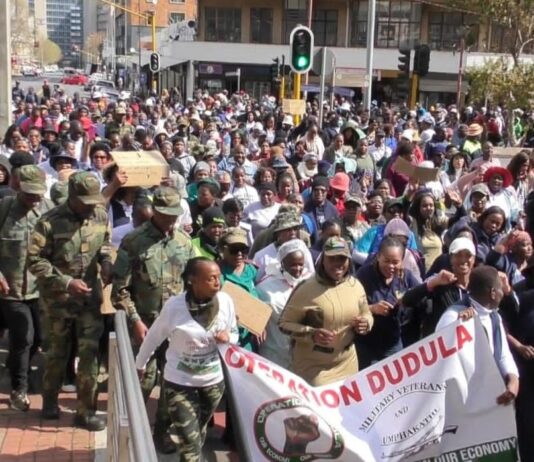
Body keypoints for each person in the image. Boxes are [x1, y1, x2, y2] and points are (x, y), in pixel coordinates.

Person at [112, 186, 196, 453]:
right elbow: (120, 291)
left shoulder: (184, 243)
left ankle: (161, 431)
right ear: (155, 211)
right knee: (142, 381)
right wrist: (135, 320)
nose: (172, 221)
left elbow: (194, 285)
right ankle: (131, 432)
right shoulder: (134, 242)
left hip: (176, 328)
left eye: (176, 215)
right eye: (167, 215)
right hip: (145, 326)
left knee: (171, 383)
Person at [28, 172, 113, 430]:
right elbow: (35, 261)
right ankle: (50, 400)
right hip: (58, 302)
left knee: (89, 355)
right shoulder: (49, 222)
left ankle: (86, 411)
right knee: (57, 354)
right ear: (73, 197)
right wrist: (66, 282)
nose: (90, 205)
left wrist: (106, 262)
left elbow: (105, 243)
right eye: (85, 200)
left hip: (89, 300)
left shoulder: (99, 215)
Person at [135, 257, 238, 462]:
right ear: (193, 280)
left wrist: (228, 338)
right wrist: (140, 364)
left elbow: (233, 333)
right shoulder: (174, 307)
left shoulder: (226, 301)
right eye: (211, 278)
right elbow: (154, 336)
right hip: (179, 382)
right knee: (190, 443)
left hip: (212, 383)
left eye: (219, 277)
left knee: (196, 433)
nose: (218, 282)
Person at [279, 237, 373, 386]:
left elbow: (366, 313)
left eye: (342, 258)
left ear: (349, 260)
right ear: (323, 260)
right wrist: (311, 334)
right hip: (314, 369)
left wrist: (366, 323)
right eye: (332, 258)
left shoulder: (356, 286)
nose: (337, 264)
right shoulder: (306, 288)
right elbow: (284, 324)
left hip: (347, 363)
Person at [0, 166, 54, 411]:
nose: (34, 199)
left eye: (38, 194)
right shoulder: (4, 209)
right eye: (29, 193)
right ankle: (18, 390)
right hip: (10, 289)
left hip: (40, 288)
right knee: (23, 335)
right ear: (17, 187)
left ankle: (15, 368)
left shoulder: (48, 210)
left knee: (40, 338)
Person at [436, 265, 519, 405]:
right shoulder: (452, 317)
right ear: (493, 293)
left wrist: (513, 380)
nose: (503, 292)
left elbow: (503, 355)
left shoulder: (494, 317)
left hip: (491, 397)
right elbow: (440, 360)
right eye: (500, 288)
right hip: (463, 403)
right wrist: (457, 327)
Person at [355, 237, 420, 368]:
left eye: (395, 262)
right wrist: (373, 308)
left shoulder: (406, 277)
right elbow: (350, 306)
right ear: (378, 256)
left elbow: (420, 295)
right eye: (386, 261)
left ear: (402, 260)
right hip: (367, 345)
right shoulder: (364, 275)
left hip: (393, 343)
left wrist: (406, 301)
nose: (391, 266)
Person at [403, 237, 476, 336]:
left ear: (474, 259)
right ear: (451, 258)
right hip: (442, 343)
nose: (463, 260)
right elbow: (407, 300)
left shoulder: (479, 286)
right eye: (458, 255)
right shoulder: (440, 283)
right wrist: (433, 283)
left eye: (468, 255)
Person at [257, 239, 313, 369]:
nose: (298, 269)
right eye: (293, 264)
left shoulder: (310, 281)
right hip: (274, 352)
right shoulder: (264, 287)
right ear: (282, 263)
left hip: (303, 352)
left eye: (301, 264)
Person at [253, 211, 314, 282]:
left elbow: (311, 274)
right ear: (278, 233)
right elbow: (255, 282)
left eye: (295, 229)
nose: (292, 233)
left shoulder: (303, 250)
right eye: (288, 230)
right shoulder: (262, 256)